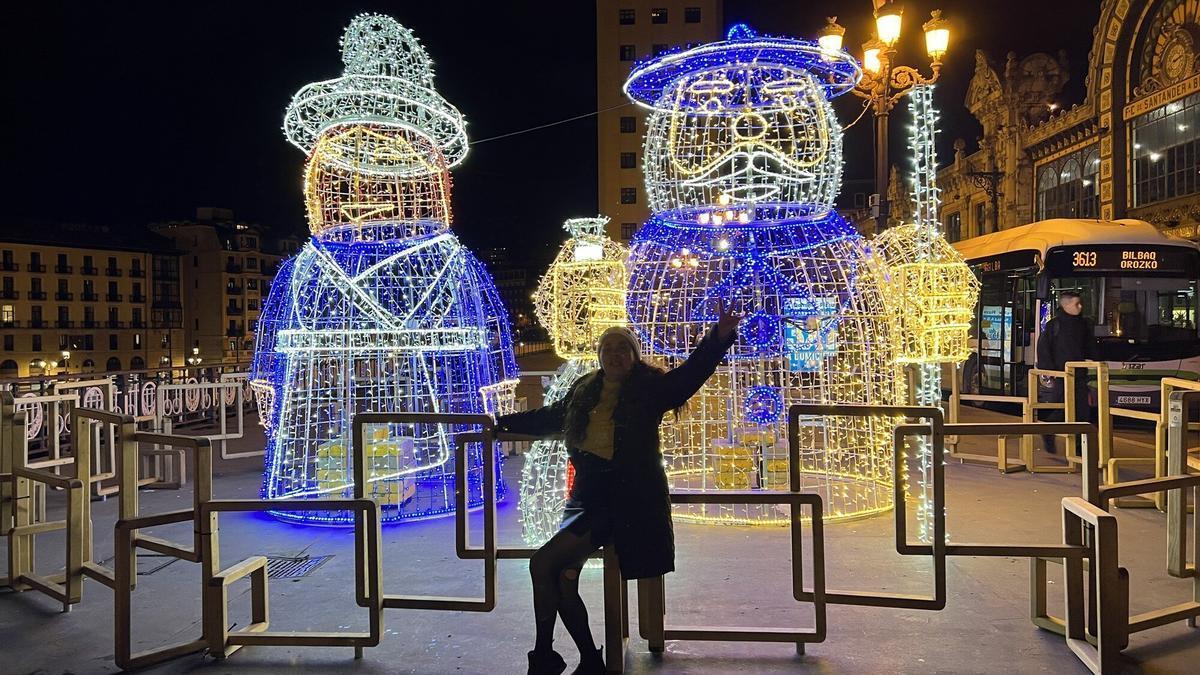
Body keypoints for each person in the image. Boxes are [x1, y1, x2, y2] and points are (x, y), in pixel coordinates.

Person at [497, 303, 740, 675]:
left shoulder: (650, 387)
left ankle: (545, 657)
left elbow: (689, 376)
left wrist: (719, 337)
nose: (615, 355)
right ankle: (587, 661)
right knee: (562, 577)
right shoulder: (585, 388)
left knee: (542, 563)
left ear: (633, 356)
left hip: (626, 502)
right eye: (608, 349)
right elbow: (552, 417)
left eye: (622, 349)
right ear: (600, 356)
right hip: (585, 500)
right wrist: (499, 423)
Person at [1036, 291, 1097, 453]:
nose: (1080, 307)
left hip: (1080, 374)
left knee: (1082, 411)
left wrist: (1092, 359)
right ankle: (1049, 431)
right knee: (1066, 409)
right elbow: (1043, 349)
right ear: (1066, 305)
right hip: (1062, 375)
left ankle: (1079, 448)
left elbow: (1090, 346)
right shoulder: (1054, 325)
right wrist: (1050, 372)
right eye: (1076, 304)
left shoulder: (1084, 324)